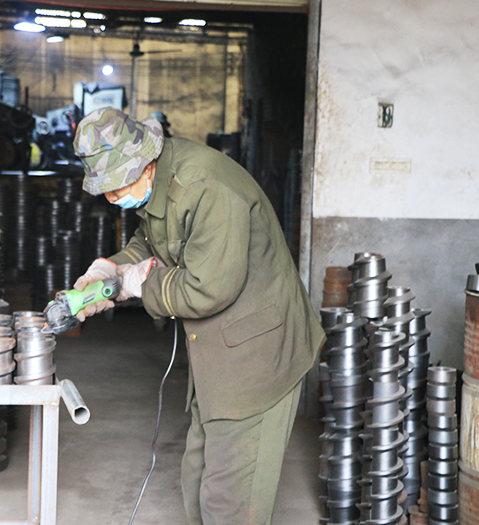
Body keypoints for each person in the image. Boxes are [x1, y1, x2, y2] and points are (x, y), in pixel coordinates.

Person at [72, 107, 325, 525]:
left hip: (258, 356)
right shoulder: (159, 180)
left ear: (145, 163)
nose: (112, 198)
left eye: (117, 186)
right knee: (196, 482)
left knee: (230, 504)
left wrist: (139, 284)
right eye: (105, 189)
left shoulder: (206, 187)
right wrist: (110, 269)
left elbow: (209, 289)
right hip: (218, 355)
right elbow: (152, 239)